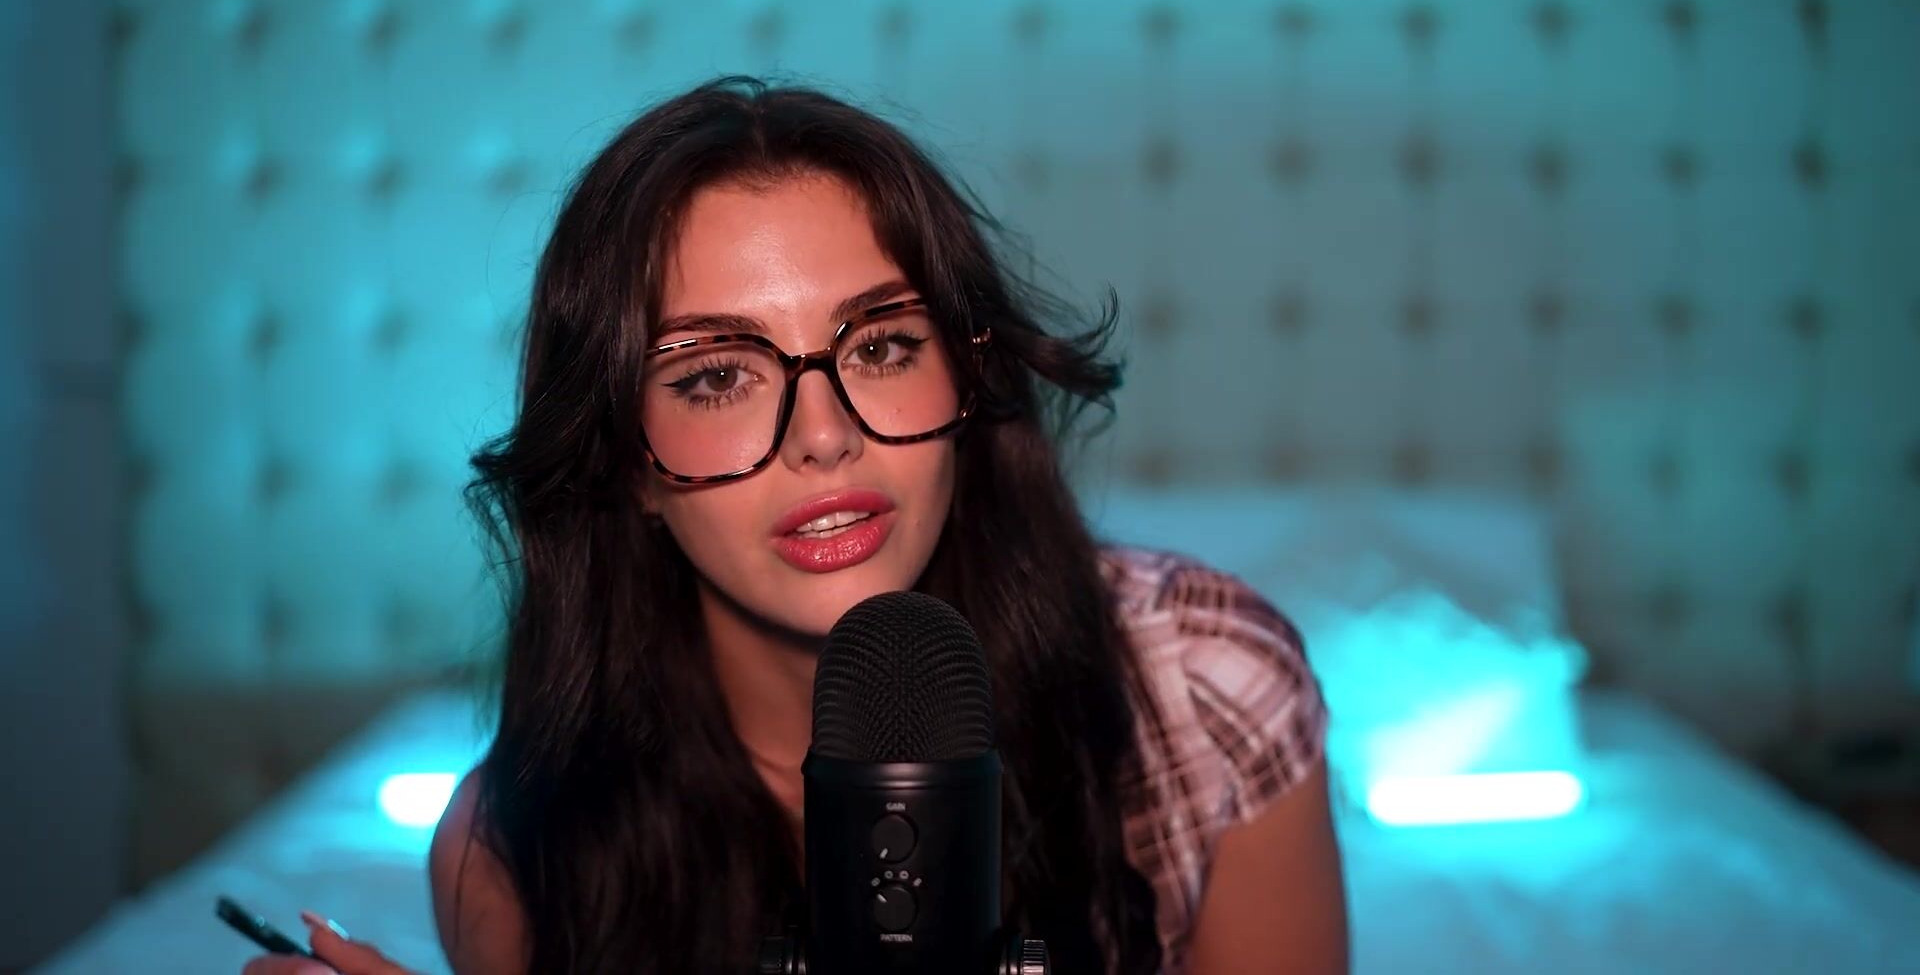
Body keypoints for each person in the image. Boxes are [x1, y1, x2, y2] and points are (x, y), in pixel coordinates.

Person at [242, 75, 1347, 975]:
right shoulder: (511, 855)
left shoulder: (1199, 687)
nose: (824, 436)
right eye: (716, 376)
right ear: (627, 465)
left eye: (883, 347)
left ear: (968, 384)